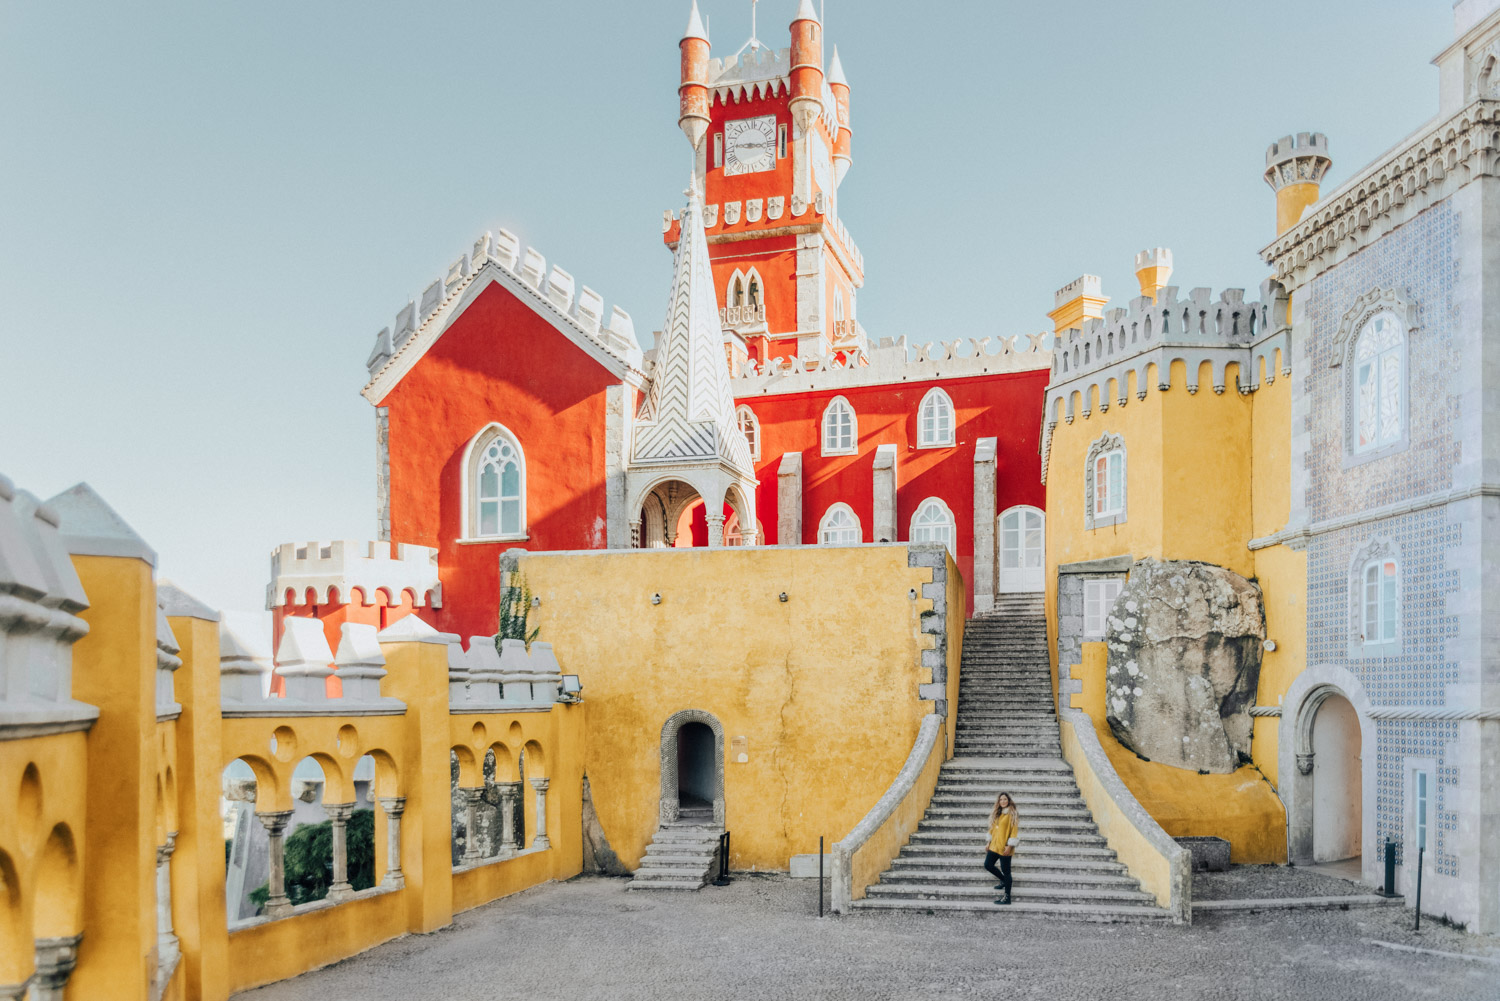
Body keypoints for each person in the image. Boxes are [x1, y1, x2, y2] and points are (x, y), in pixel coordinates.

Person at [985, 791, 1020, 905]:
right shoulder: (997, 813)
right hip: (994, 845)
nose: (1003, 801)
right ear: (998, 802)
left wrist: (1010, 846)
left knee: (1007, 872)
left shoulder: (1012, 813)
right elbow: (992, 829)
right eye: (1001, 800)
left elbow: (1014, 831)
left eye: (1005, 799)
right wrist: (988, 842)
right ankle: (1004, 881)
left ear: (1008, 801)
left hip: (1005, 847)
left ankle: (1007, 897)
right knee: (988, 865)